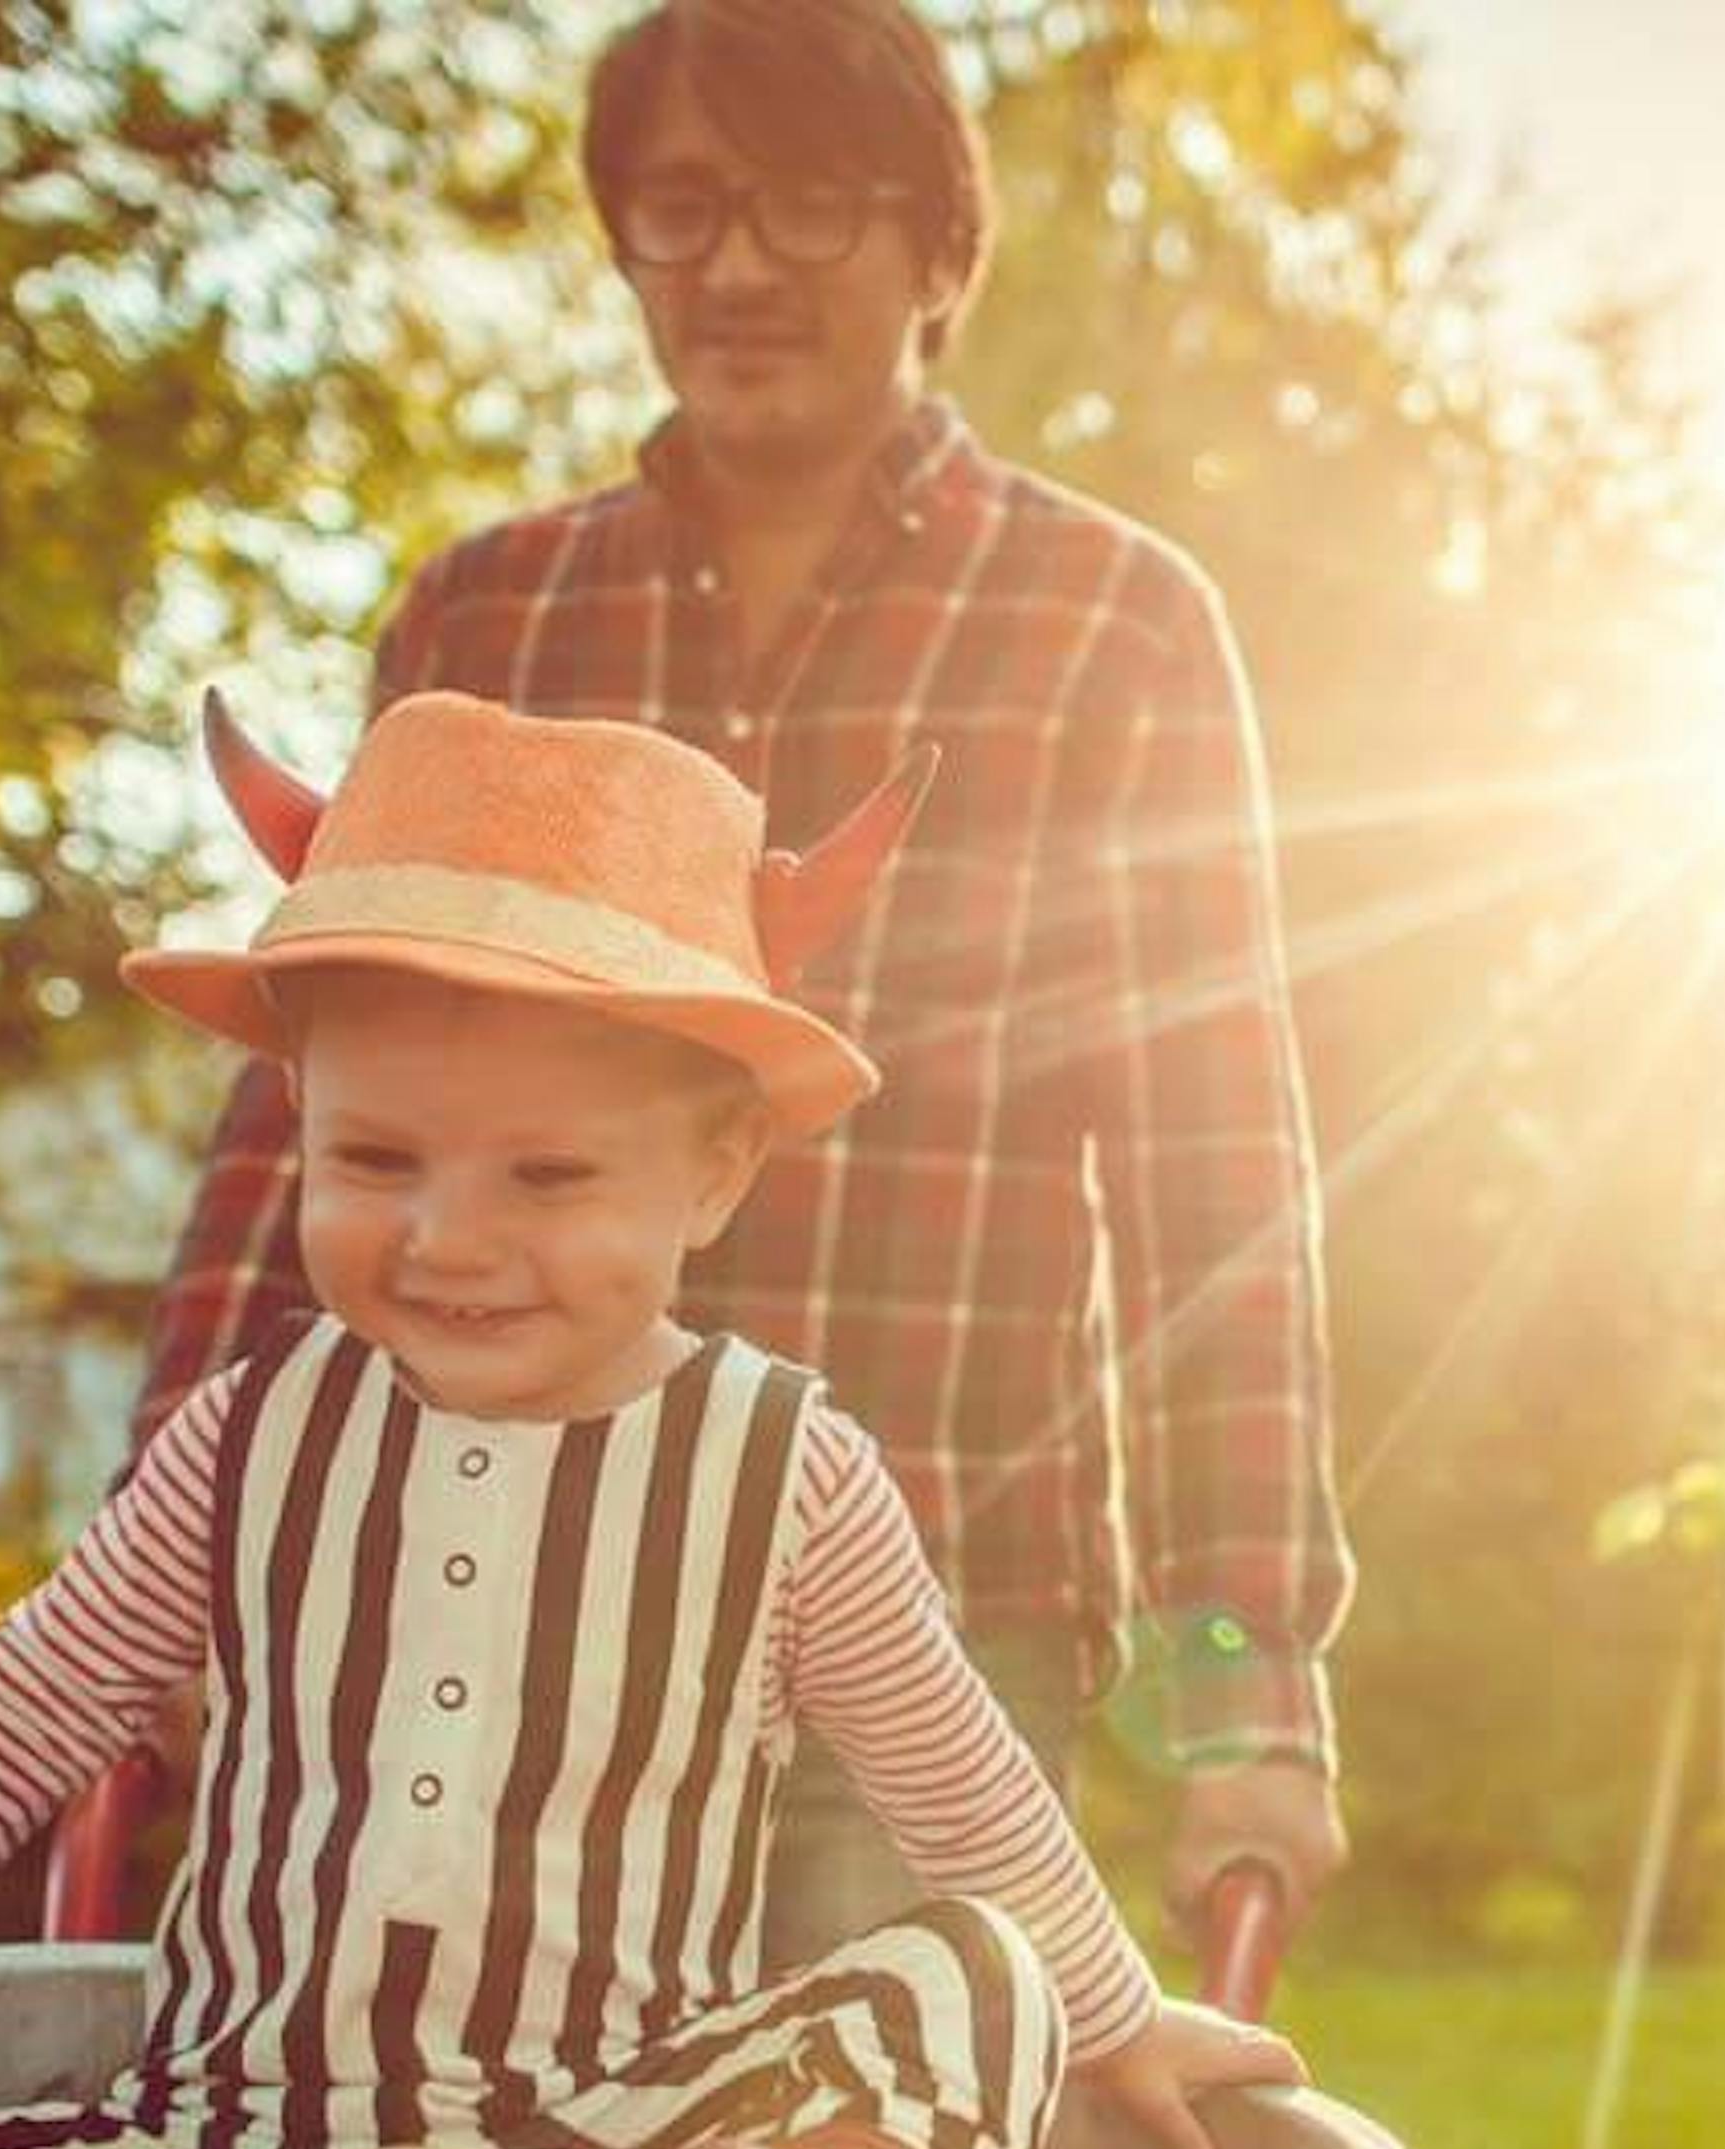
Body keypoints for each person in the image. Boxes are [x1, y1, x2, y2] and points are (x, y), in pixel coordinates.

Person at [0, 690, 1306, 2149]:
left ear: (715, 1172)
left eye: (549, 1176)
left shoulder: (785, 1478)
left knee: (976, 1973)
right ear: (298, 1114)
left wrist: (1114, 2007)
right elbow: (27, 1703)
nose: (448, 1240)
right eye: (377, 1160)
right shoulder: (249, 1443)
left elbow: (956, 1779)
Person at [124, 0, 1355, 1970]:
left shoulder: (1109, 624)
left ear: (940, 248)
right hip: (496, 1581)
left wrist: (1248, 1673)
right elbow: (307, 1097)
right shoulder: (495, 612)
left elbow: (1222, 1169)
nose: (742, 270)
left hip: (930, 1630)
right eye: (684, 214)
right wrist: (174, 1553)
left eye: (813, 206)